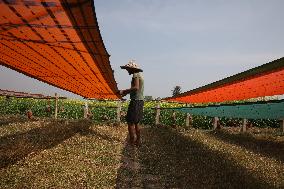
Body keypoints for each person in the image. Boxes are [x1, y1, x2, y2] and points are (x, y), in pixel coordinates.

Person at [119, 60, 144, 146]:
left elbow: (136, 87)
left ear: (132, 69)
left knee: (130, 122)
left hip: (135, 101)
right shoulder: (139, 75)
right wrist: (126, 93)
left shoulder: (135, 75)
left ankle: (131, 141)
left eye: (128, 69)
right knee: (136, 122)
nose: (127, 70)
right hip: (140, 101)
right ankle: (138, 141)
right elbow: (136, 89)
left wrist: (124, 91)